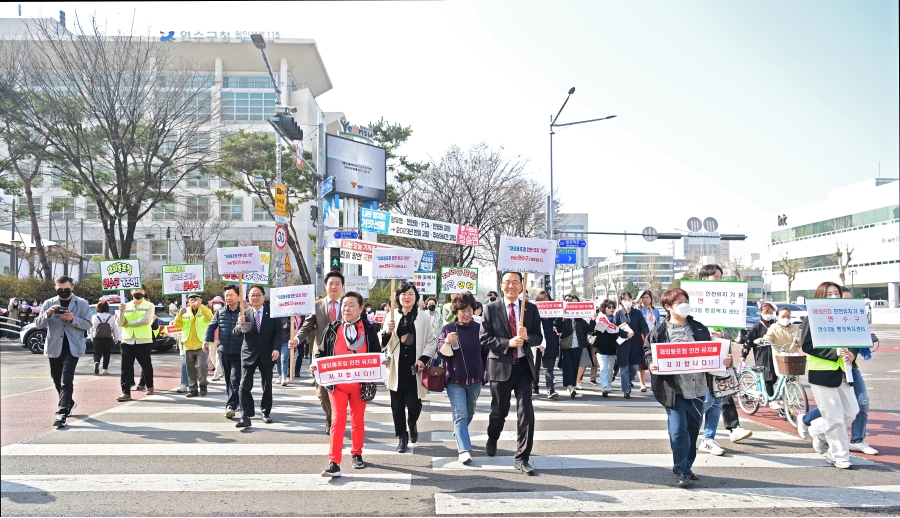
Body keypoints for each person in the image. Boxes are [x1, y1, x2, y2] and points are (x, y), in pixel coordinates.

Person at [645, 287, 732, 487]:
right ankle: (681, 470)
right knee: (678, 431)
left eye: (686, 300)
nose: (684, 304)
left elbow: (713, 353)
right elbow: (649, 352)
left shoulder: (699, 328)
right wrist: (652, 363)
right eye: (678, 302)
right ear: (667, 307)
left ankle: (687, 466)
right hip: (673, 390)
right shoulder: (659, 332)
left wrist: (724, 360)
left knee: (692, 430)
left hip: (698, 388)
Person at [798, 284, 877, 458]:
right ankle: (839, 456)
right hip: (822, 373)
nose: (833, 296)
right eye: (828, 294)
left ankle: (817, 429)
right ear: (819, 296)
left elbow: (856, 338)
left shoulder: (846, 315)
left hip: (846, 371)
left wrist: (853, 354)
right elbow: (807, 345)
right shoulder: (811, 317)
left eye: (836, 293)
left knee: (851, 412)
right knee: (834, 416)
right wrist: (834, 354)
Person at [480, 271, 543, 475]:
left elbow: (538, 337)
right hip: (500, 367)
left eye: (516, 282)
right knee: (499, 412)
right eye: (507, 282)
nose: (511, 286)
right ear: (501, 285)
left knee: (526, 413)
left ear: (521, 286)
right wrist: (507, 343)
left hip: (524, 367)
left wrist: (528, 338)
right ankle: (492, 437)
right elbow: (484, 338)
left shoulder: (531, 309)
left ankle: (522, 457)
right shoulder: (490, 309)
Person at [314, 291, 382, 477]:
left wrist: (380, 366)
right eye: (344, 305)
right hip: (337, 385)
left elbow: (376, 354)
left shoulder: (369, 329)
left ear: (361, 308)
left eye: (351, 305)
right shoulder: (333, 328)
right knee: (337, 420)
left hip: (360, 384)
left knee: (357, 420)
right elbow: (321, 353)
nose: (346, 308)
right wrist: (316, 365)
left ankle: (357, 453)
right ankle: (334, 462)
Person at [696, 264, 753, 448]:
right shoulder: (694, 301)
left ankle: (708, 438)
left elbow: (733, 329)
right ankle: (688, 432)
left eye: (721, 277)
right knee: (706, 399)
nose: (721, 280)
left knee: (718, 400)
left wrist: (721, 334)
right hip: (701, 356)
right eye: (717, 277)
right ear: (705, 279)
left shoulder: (727, 300)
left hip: (723, 357)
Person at [380, 283, 437, 452]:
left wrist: (423, 360)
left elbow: (431, 340)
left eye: (410, 294)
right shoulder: (391, 316)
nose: (407, 297)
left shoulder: (423, 316)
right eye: (403, 294)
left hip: (415, 368)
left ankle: (412, 422)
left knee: (414, 404)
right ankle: (402, 436)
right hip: (396, 368)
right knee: (396, 407)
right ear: (397, 297)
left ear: (416, 297)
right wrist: (387, 332)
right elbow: (382, 343)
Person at [289, 270, 345, 434]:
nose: (334, 287)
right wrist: (297, 339)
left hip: (343, 355)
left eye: (337, 284)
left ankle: (338, 419)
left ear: (342, 286)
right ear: (325, 286)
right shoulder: (316, 305)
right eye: (331, 283)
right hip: (322, 355)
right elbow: (306, 327)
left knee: (341, 391)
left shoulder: (349, 304)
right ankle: (330, 418)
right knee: (322, 392)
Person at [35, 276, 92, 427]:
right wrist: (47, 314)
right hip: (54, 346)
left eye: (66, 289)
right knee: (56, 379)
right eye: (60, 289)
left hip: (73, 346)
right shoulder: (49, 303)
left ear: (72, 288)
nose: (63, 292)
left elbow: (87, 324)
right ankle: (70, 403)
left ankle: (61, 413)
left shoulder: (81, 303)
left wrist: (73, 318)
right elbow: (38, 324)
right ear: (55, 288)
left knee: (66, 379)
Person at [438, 292, 485, 463]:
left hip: (475, 380)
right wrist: (447, 342)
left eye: (470, 310)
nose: (466, 314)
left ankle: (459, 430)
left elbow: (486, 353)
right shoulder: (448, 329)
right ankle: (463, 450)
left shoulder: (480, 328)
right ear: (456, 311)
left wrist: (485, 374)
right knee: (460, 414)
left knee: (469, 411)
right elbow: (441, 354)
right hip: (455, 380)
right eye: (463, 310)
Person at [233, 285, 283, 428]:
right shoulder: (244, 314)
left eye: (258, 295)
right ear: (248, 298)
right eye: (252, 295)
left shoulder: (272, 313)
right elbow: (236, 334)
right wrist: (239, 325)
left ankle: (265, 412)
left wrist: (276, 349)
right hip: (249, 354)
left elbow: (278, 333)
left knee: (267, 385)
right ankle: (245, 415)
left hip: (267, 354)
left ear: (263, 297)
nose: (255, 297)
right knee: (243, 386)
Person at [204, 285, 245, 418]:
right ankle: (234, 401)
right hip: (224, 351)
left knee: (235, 378)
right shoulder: (220, 312)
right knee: (228, 379)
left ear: (238, 296)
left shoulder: (245, 313)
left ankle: (230, 405)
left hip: (239, 352)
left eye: (231, 295)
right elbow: (211, 327)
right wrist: (206, 340)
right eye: (226, 295)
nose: (228, 298)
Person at [115, 286, 157, 402]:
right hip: (127, 340)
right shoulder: (125, 305)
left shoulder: (149, 305)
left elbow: (147, 320)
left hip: (143, 340)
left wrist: (129, 324)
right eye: (136, 290)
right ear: (131, 292)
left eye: (140, 290)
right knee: (125, 368)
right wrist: (121, 311)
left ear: (144, 292)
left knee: (146, 365)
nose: (138, 292)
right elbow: (119, 323)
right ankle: (125, 392)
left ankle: (149, 386)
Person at [174, 293, 212, 397]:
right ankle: (193, 388)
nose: (194, 300)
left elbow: (210, 318)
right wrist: (179, 314)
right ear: (188, 301)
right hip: (188, 344)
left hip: (201, 344)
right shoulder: (185, 312)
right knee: (190, 368)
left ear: (201, 299)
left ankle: (203, 384)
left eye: (196, 298)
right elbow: (176, 325)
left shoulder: (204, 310)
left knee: (201, 365)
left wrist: (201, 306)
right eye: (191, 298)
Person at [613, 292, 649, 399]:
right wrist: (625, 334)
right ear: (621, 302)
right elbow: (615, 329)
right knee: (624, 369)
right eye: (625, 300)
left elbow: (644, 326)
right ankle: (626, 390)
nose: (627, 302)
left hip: (636, 345)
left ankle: (627, 382)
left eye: (629, 299)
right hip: (623, 345)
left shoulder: (637, 313)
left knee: (633, 368)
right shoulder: (618, 314)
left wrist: (648, 337)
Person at [741, 302, 778, 396]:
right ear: (761, 313)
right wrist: (743, 355)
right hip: (762, 354)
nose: (768, 315)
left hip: (775, 353)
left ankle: (757, 388)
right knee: (767, 377)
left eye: (770, 312)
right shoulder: (758, 326)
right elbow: (748, 341)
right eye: (766, 313)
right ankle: (770, 399)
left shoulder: (775, 324)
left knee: (774, 376)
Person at [532, 291, 560, 399]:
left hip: (551, 343)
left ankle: (550, 389)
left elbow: (559, 327)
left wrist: (562, 317)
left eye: (548, 299)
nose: (546, 302)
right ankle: (535, 386)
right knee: (535, 367)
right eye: (543, 300)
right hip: (537, 342)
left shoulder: (555, 312)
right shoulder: (534, 312)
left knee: (549, 368)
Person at [593, 300, 619, 397]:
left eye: (613, 307)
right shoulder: (600, 318)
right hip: (601, 347)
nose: (612, 309)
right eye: (609, 307)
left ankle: (608, 385)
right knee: (603, 367)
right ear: (604, 308)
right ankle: (604, 387)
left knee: (610, 368)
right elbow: (595, 331)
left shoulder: (616, 319)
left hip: (612, 347)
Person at [637, 290, 659, 392]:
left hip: (653, 337)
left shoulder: (656, 310)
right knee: (641, 361)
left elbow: (658, 324)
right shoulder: (639, 310)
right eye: (644, 298)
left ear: (651, 299)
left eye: (647, 298)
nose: (645, 300)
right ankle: (642, 384)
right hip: (641, 337)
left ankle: (653, 384)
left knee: (653, 360)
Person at [91, 300, 120, 375]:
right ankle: (105, 369)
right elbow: (115, 328)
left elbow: (92, 328)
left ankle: (96, 362)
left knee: (97, 353)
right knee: (106, 353)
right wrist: (116, 338)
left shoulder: (95, 317)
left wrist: (92, 338)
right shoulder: (111, 317)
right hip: (108, 338)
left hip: (97, 337)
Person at [208, 296, 225, 381]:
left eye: (218, 303)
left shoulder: (224, 313)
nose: (216, 305)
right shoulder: (209, 314)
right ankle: (220, 369)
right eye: (215, 303)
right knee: (212, 355)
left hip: (221, 338)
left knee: (219, 356)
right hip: (212, 338)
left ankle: (216, 374)